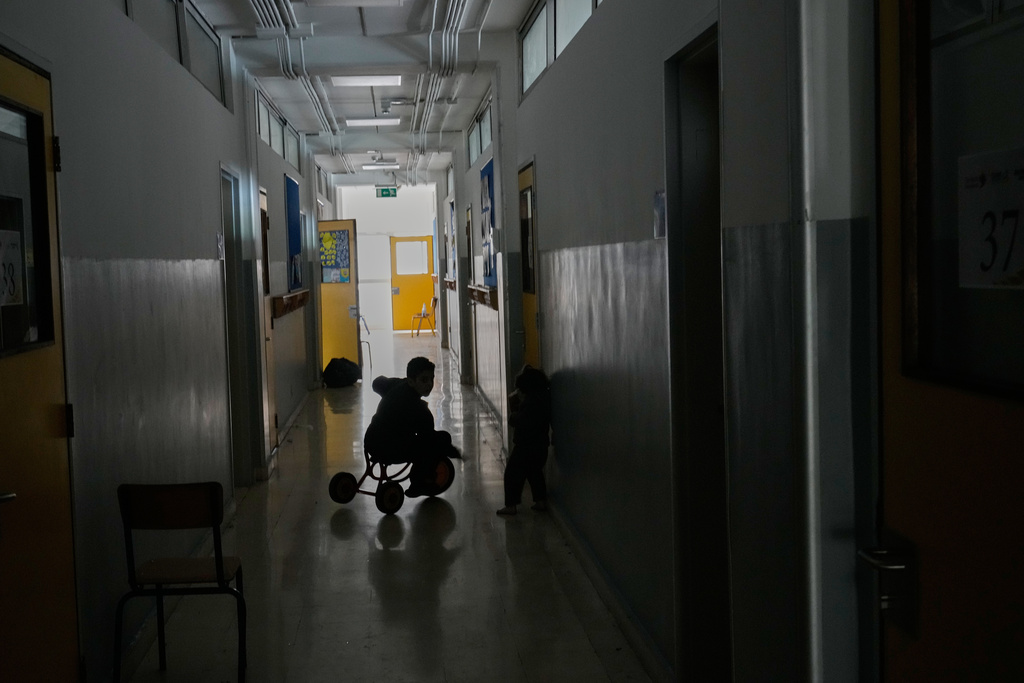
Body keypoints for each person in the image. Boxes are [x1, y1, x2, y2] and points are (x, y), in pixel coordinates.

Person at [363, 357, 456, 497]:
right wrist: (451, 449)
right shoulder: (419, 410)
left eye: (431, 379)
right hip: (387, 449)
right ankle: (418, 485)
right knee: (434, 444)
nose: (429, 384)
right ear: (412, 381)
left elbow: (378, 383)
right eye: (424, 380)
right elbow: (428, 438)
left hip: (371, 440)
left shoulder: (398, 384)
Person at [497, 365, 551, 516]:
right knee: (535, 473)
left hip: (526, 447)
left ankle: (511, 506)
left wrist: (513, 414)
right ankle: (540, 501)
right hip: (541, 446)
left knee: (512, 474)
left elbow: (523, 422)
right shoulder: (544, 397)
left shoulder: (531, 402)